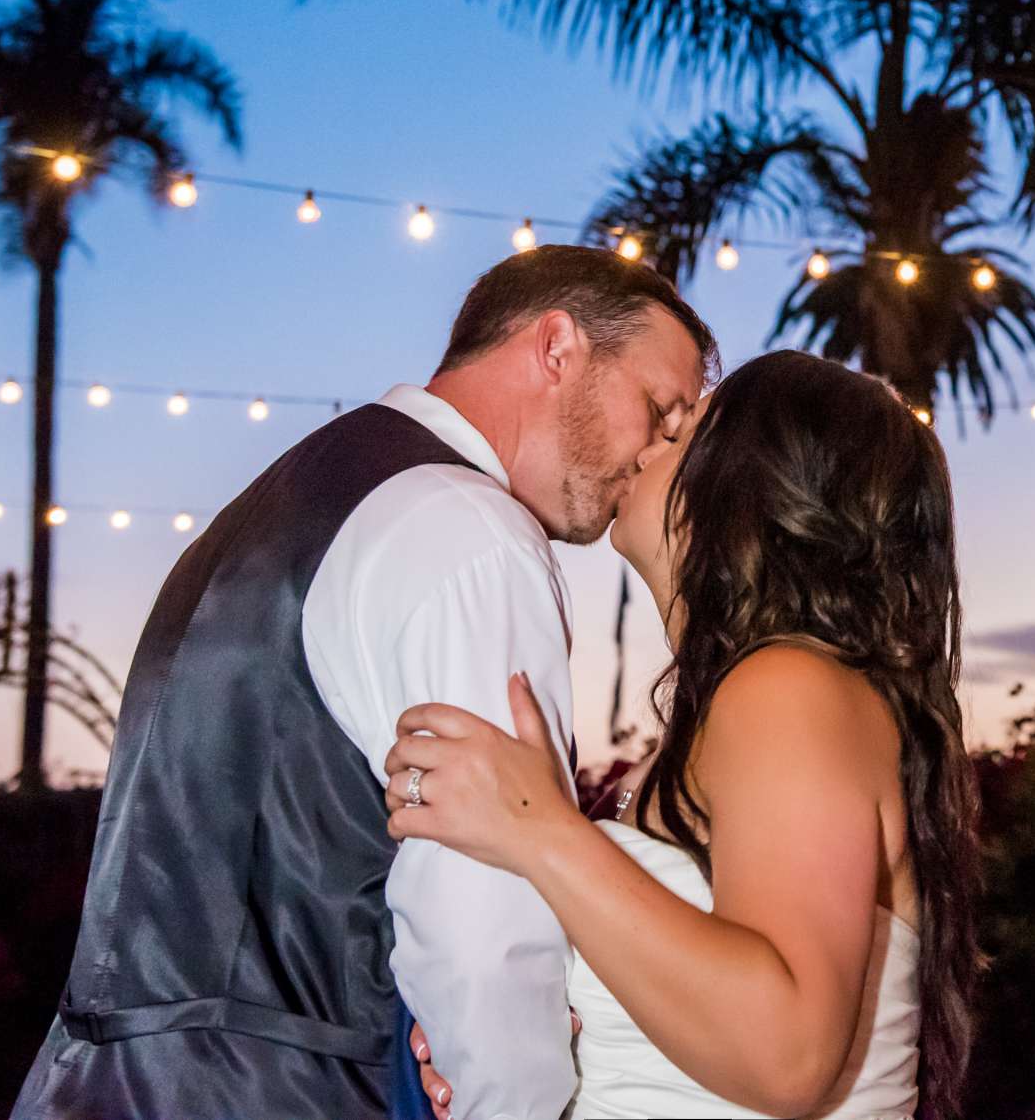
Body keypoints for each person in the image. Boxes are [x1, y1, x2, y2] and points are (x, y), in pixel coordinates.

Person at [11, 245, 713, 1120]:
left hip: (94, 1082)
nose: (661, 454)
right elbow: (483, 918)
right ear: (558, 347)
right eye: (660, 410)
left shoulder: (277, 503)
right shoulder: (473, 533)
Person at [381, 350, 981, 1120]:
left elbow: (786, 1054)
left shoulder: (790, 688)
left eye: (684, 431)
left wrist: (537, 828)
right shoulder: (757, 704)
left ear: (757, 483)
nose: (645, 446)